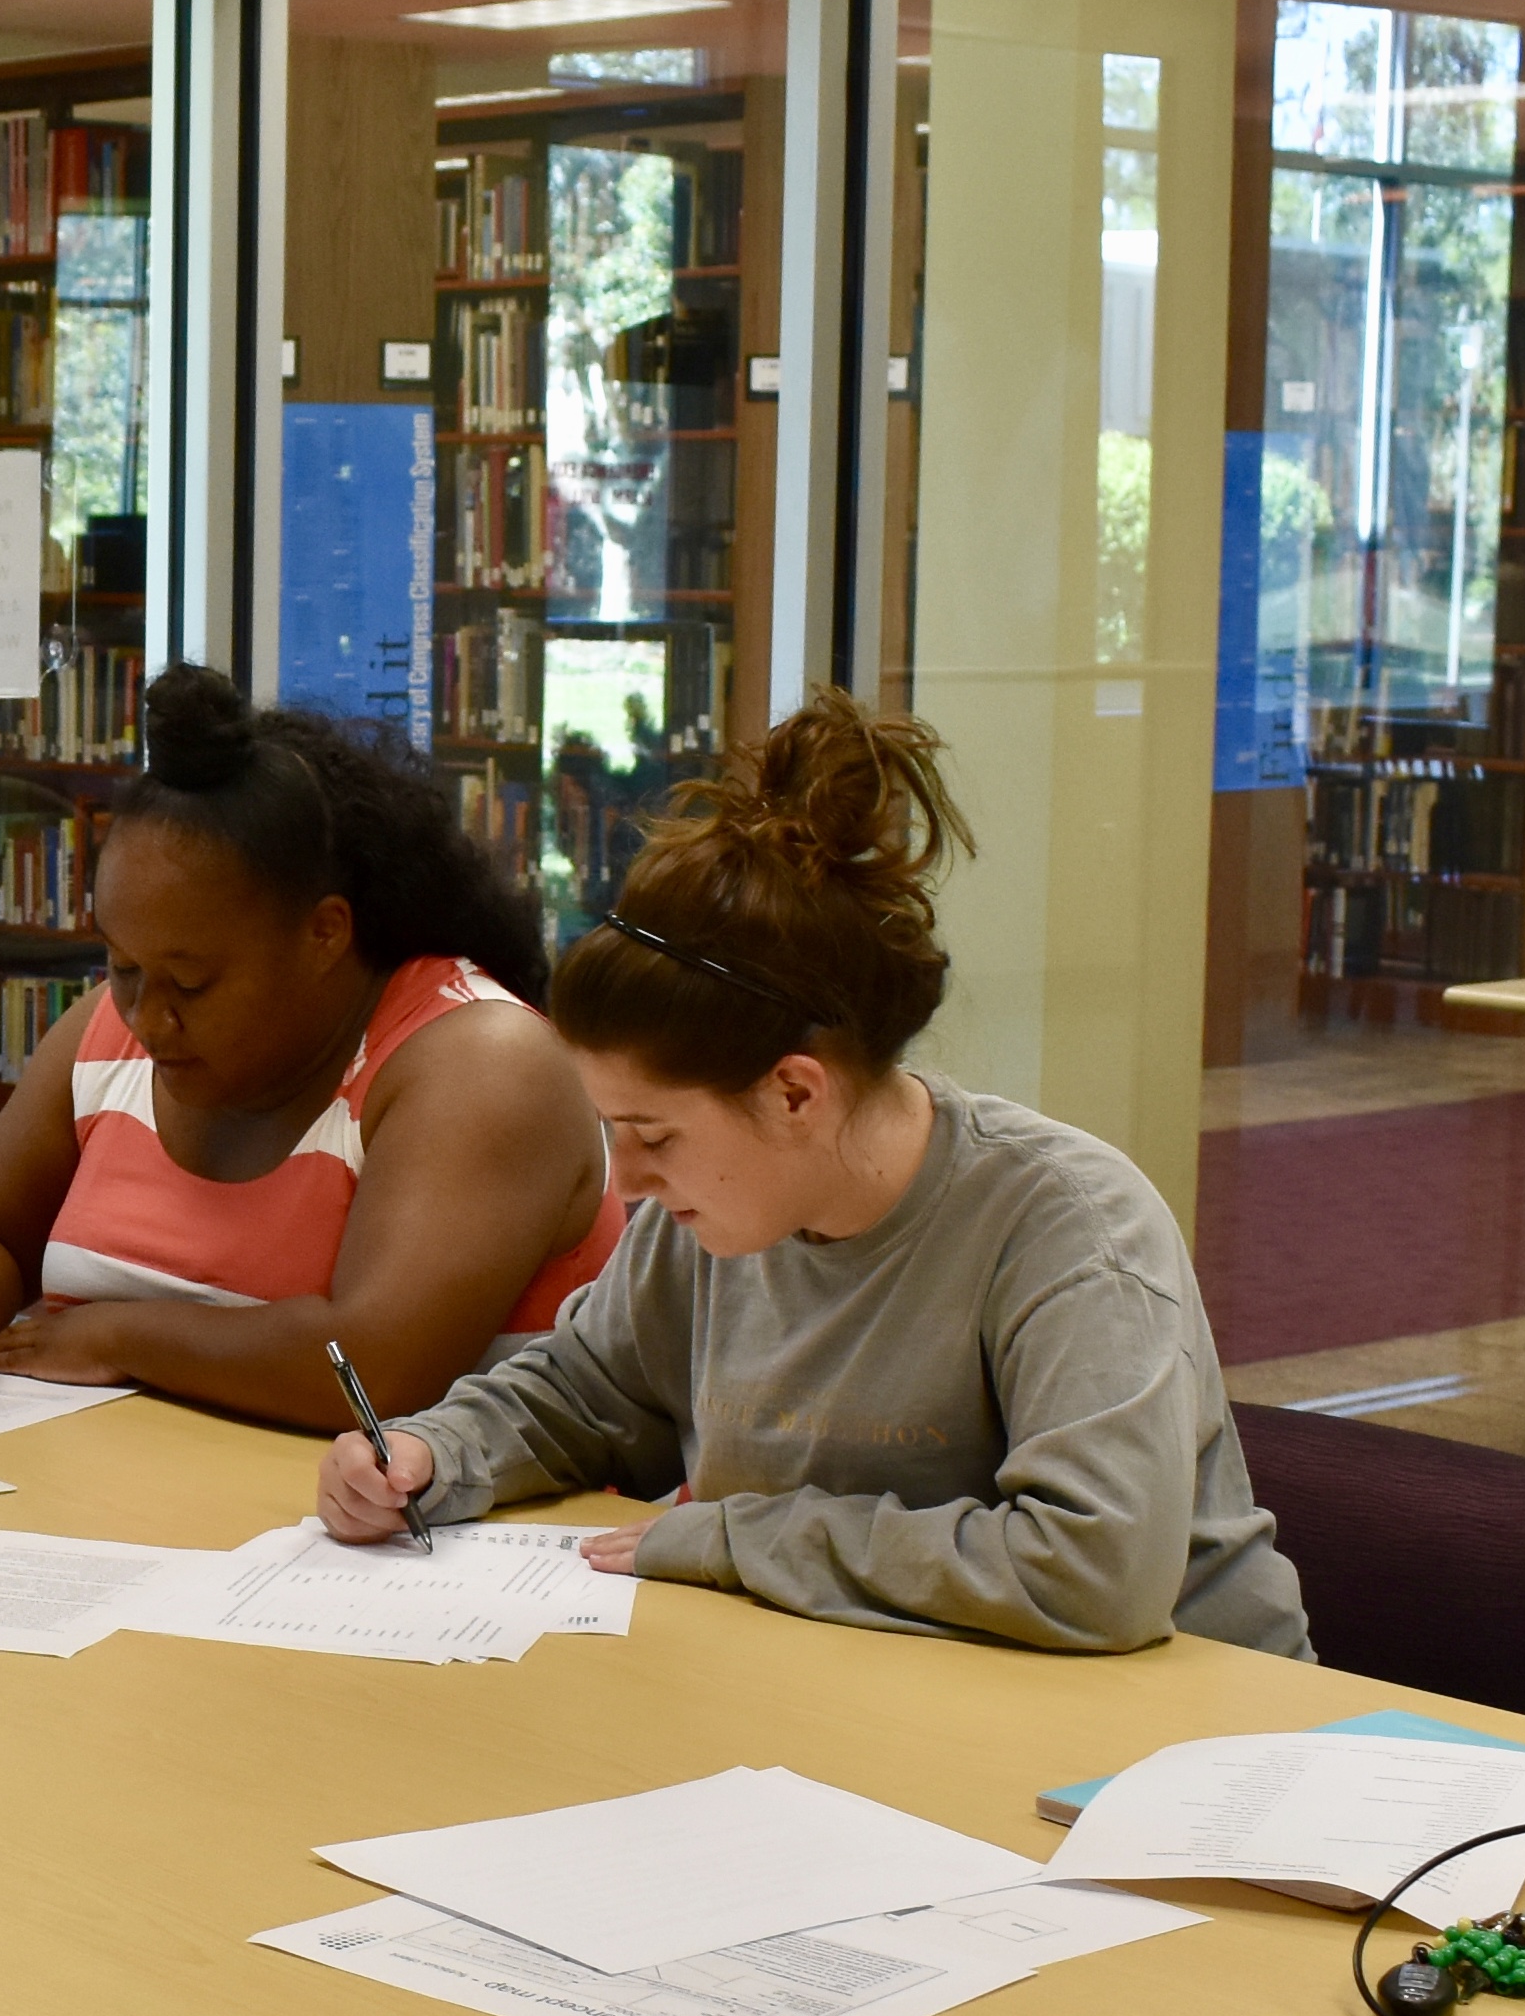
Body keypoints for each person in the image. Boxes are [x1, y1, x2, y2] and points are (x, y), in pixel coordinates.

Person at [316, 693, 1310, 1657]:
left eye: (653, 1135)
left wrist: (741, 1536)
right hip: (898, 1702)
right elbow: (583, 1397)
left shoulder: (1067, 1229)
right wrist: (433, 1454)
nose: (626, 1179)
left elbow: (1093, 1572)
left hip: (1181, 1751)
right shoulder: (703, 1225)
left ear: (795, 1094)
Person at [0, 666, 617, 1431]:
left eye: (191, 984)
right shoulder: (110, 1032)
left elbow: (376, 1370)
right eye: (122, 966)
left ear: (325, 932)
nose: (148, 1019)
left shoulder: (481, 1061)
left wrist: (120, 1335)